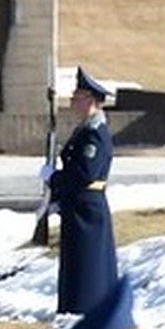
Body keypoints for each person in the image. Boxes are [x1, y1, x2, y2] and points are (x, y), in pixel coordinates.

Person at [47, 67, 118, 315]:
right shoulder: (84, 130)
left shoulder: (94, 135)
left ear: (91, 100)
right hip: (77, 207)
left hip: (87, 210)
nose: (72, 102)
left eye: (76, 97)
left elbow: (84, 174)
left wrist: (55, 178)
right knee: (77, 268)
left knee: (90, 270)